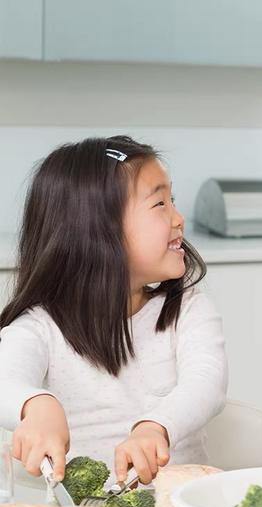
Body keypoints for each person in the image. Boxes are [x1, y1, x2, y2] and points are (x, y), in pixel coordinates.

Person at [0, 135, 228, 484]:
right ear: (98, 231)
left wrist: (155, 427)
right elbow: (6, 376)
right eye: (160, 205)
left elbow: (206, 382)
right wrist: (37, 406)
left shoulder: (187, 310)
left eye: (173, 201)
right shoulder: (40, 327)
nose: (179, 218)